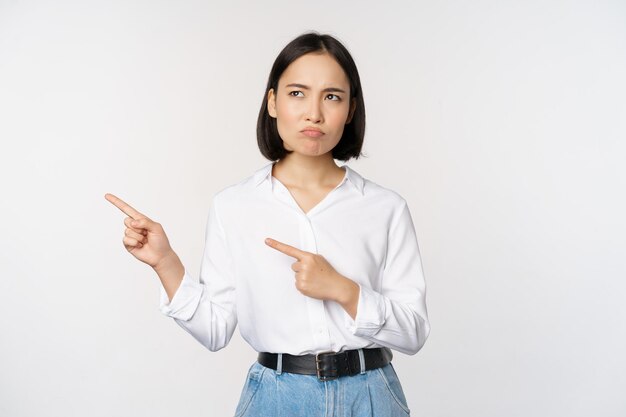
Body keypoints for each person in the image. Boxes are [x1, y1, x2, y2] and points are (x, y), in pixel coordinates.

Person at [105, 31, 430, 417]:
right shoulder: (234, 205)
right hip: (277, 398)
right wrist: (166, 263)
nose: (314, 113)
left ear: (351, 109)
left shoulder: (385, 208)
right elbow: (214, 330)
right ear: (273, 102)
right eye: (297, 93)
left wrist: (344, 290)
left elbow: (413, 334)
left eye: (332, 96)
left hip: (372, 395)